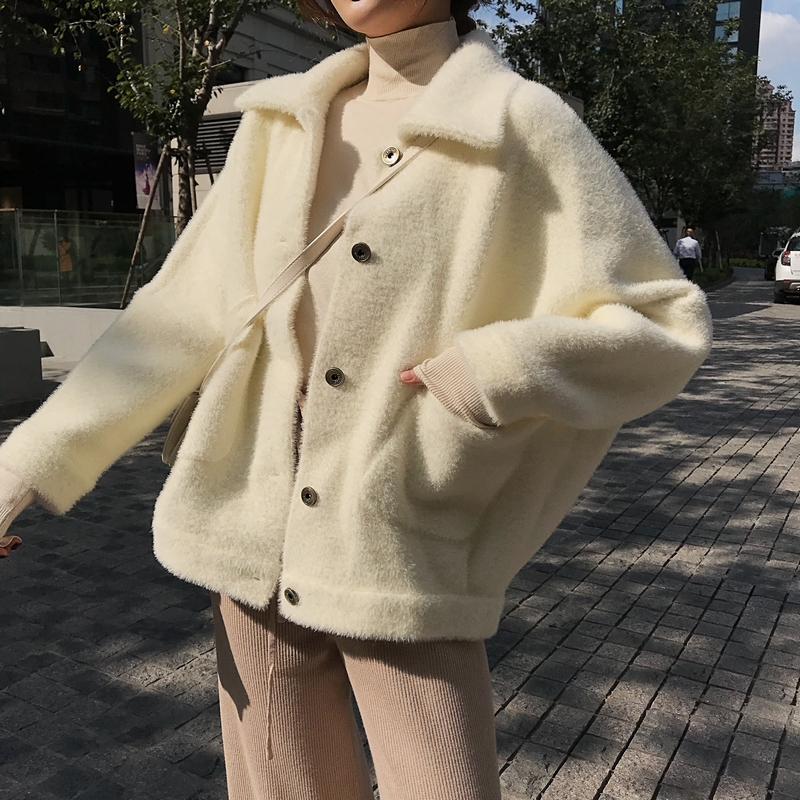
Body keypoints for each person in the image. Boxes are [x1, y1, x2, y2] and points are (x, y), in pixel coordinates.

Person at [0, 0, 713, 796]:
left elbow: (663, 322)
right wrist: (17, 474)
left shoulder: (518, 121)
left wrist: (490, 373)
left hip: (401, 537)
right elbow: (175, 318)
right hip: (251, 532)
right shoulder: (279, 122)